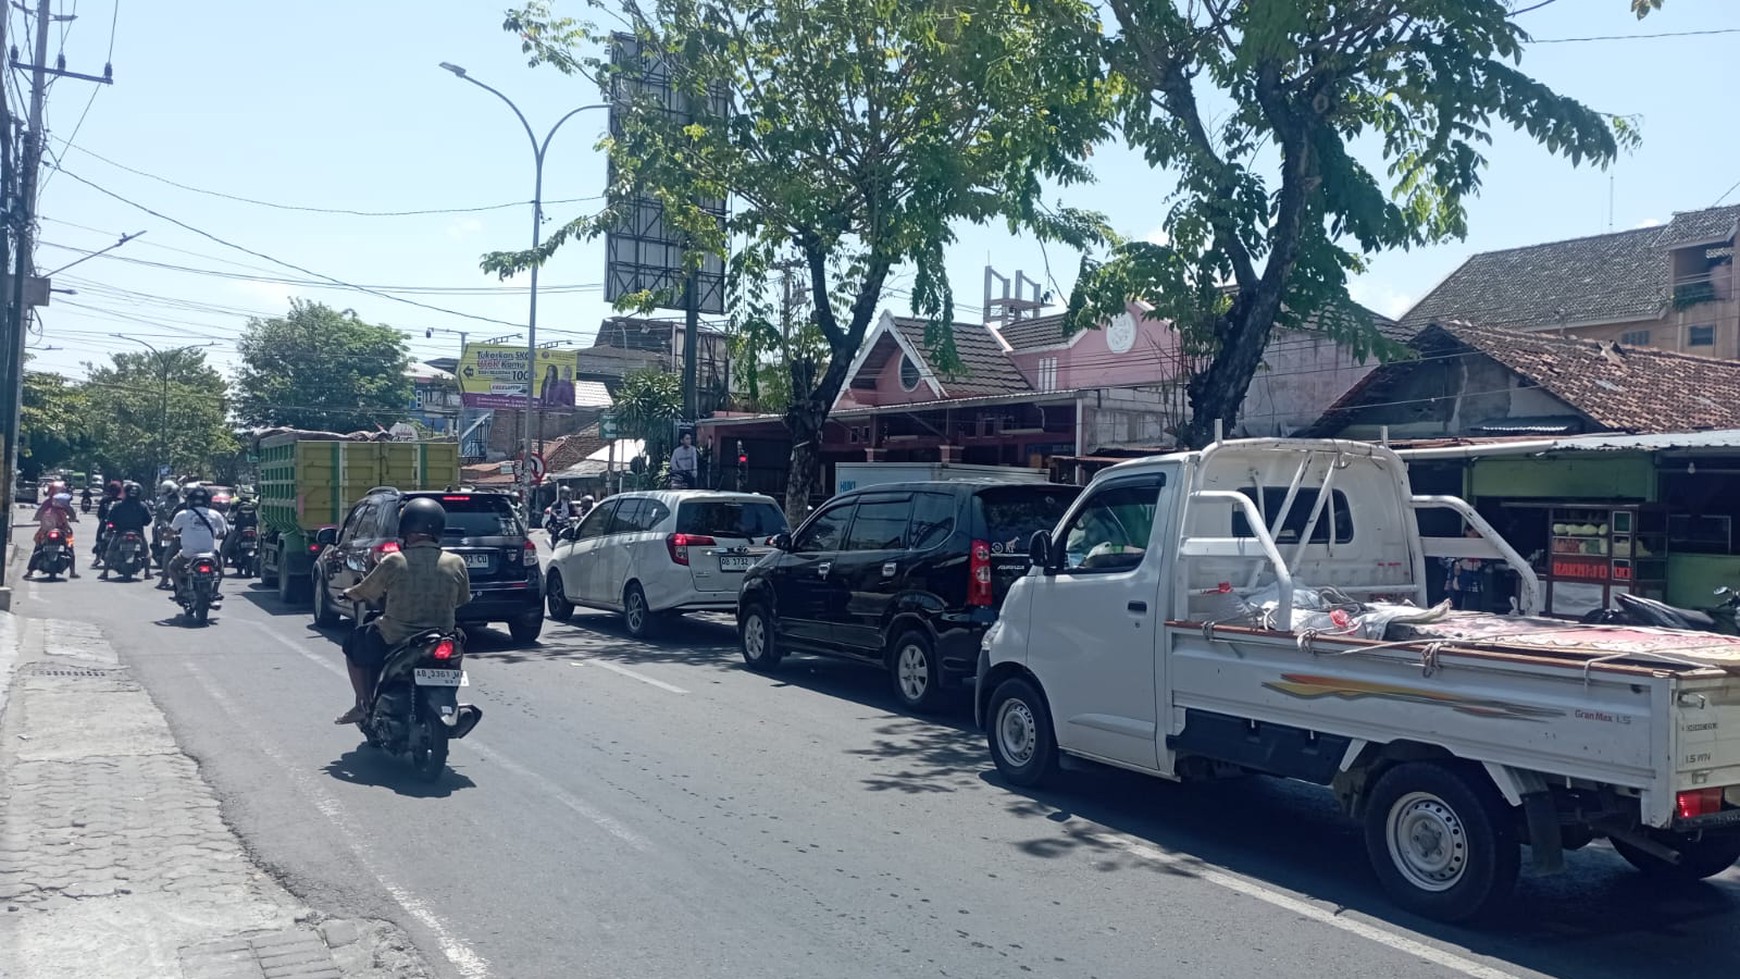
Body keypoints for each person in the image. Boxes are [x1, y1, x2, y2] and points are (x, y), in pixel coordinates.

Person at [334, 498, 471, 725]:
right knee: (457, 650)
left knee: (353, 645)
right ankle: (450, 699)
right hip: (442, 635)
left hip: (396, 635)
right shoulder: (456, 562)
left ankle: (363, 705)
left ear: (406, 528)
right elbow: (462, 599)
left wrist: (349, 593)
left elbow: (366, 591)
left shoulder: (395, 561)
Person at [166, 485, 229, 603]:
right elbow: (222, 533)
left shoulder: (183, 514)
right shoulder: (215, 514)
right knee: (220, 568)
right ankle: (215, 591)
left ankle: (180, 589)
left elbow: (171, 531)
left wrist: (171, 536)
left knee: (172, 567)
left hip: (188, 553)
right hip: (209, 553)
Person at [100, 482, 153, 579]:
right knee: (146, 552)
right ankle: (147, 573)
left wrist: (111, 526)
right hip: (138, 533)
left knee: (110, 551)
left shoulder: (118, 505)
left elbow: (110, 519)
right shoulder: (142, 506)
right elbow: (148, 520)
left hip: (120, 532)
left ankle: (105, 573)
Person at [25, 491, 79, 578]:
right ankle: (72, 572)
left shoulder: (50, 506)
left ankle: (30, 571)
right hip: (61, 532)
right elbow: (71, 518)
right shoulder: (63, 509)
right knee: (70, 548)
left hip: (47, 532)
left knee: (38, 547)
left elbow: (39, 514)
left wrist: (37, 519)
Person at [1443, 525, 1487, 612]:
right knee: (1453, 605)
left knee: (1472, 608)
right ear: (1466, 531)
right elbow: (1444, 557)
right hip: (1458, 578)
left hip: (1474, 579)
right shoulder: (1457, 543)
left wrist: (1482, 563)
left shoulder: (1482, 545)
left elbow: (1486, 561)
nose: (1476, 536)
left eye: (1478, 535)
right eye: (1473, 533)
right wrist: (1454, 562)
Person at [92, 480, 122, 565]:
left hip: (116, 523)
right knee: (99, 537)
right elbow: (100, 513)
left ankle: (98, 558)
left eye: (115, 490)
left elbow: (100, 514)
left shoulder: (121, 501)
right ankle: (97, 558)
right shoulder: (106, 500)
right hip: (107, 522)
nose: (114, 492)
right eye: (112, 490)